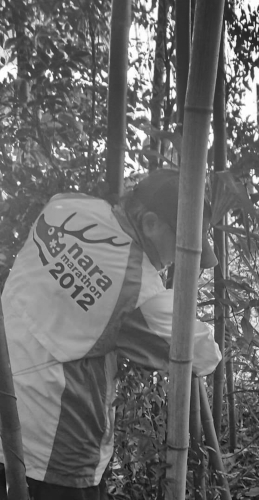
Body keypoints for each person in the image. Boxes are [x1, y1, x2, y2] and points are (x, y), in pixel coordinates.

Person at [0, 168, 222, 500]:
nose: (191, 255)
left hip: (6, 409)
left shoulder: (65, 207)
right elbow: (205, 356)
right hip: (56, 447)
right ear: (149, 223)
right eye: (185, 241)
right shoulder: (139, 292)